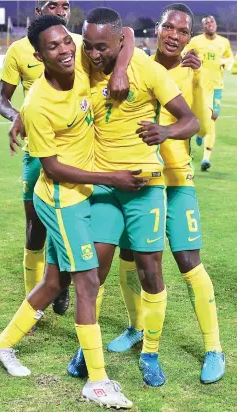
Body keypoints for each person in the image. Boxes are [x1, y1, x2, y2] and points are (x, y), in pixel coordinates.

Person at [0, 15, 147, 408]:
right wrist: (112, 177)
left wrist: (121, 69)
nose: (65, 49)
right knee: (88, 281)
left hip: (79, 193)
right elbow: (53, 168)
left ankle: (0, 346)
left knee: (56, 281)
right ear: (38, 56)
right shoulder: (39, 103)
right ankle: (97, 380)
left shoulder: (81, 64)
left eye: (66, 41)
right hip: (61, 198)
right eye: (53, 46)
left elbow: (124, 37)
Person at [67, 7, 199, 388]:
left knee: (150, 271)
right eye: (88, 47)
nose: (94, 55)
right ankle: (86, 347)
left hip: (145, 187)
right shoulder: (84, 65)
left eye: (102, 49)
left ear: (120, 42)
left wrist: (165, 131)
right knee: (94, 272)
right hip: (106, 186)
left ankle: (151, 353)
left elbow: (191, 120)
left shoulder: (147, 69)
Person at [107, 3, 225, 386]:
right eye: (169, 28)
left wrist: (195, 80)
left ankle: (213, 348)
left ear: (189, 37)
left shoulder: (192, 72)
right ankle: (136, 327)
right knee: (130, 260)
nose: (175, 35)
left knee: (190, 263)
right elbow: (121, 36)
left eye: (183, 31)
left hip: (177, 181)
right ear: (157, 29)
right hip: (139, 183)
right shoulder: (139, 64)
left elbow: (202, 125)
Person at [0, 0, 135, 317]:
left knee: (75, 224)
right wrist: (19, 115)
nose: (61, 10)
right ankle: (36, 301)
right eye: (52, 5)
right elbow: (2, 98)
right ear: (38, 10)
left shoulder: (76, 44)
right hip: (40, 150)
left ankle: (58, 285)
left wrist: (123, 70)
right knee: (36, 227)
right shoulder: (20, 50)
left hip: (80, 149)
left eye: (65, 4)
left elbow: (123, 33)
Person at [185, 15, 234, 171]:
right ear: (203, 27)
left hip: (217, 87)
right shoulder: (196, 41)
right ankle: (199, 135)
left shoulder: (223, 42)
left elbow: (229, 57)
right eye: (206, 23)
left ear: (215, 24)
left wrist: (225, 62)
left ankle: (206, 159)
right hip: (199, 87)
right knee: (197, 119)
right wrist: (193, 58)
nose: (210, 24)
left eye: (212, 21)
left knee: (212, 118)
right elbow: (185, 54)